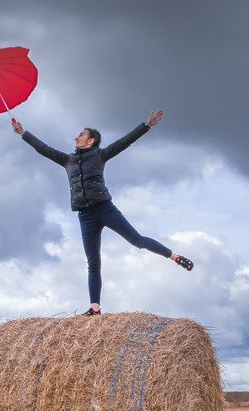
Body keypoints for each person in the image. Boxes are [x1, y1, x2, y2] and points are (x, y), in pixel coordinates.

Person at [12, 109, 193, 316]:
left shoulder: (99, 155)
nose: (76, 137)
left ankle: (174, 256)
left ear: (90, 141)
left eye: (81, 134)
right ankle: (95, 307)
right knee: (93, 262)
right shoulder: (68, 160)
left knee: (138, 241)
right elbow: (43, 149)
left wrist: (147, 125)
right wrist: (23, 133)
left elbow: (125, 142)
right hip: (85, 216)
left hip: (105, 209)